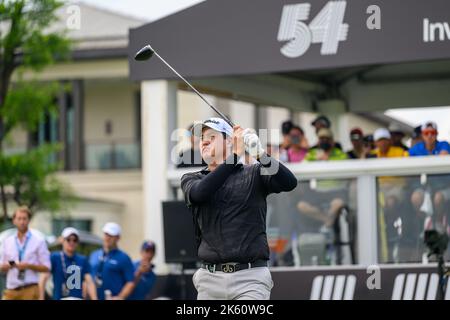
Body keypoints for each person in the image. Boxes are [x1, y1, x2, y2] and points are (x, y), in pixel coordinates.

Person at [181, 117, 297, 300]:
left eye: (212, 136)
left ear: (229, 141)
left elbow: (289, 182)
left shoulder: (253, 173)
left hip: (250, 279)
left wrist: (261, 155)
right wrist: (235, 156)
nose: (203, 141)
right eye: (202, 137)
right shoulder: (192, 178)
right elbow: (200, 193)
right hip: (209, 280)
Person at [409, 122, 450, 237]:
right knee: (416, 198)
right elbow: (407, 160)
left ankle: (437, 223)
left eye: (433, 133)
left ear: (436, 134)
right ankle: (424, 223)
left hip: (443, 186)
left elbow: (444, 154)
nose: (430, 136)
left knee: (438, 198)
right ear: (422, 135)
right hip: (424, 186)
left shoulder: (443, 144)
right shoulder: (417, 148)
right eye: (426, 133)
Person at [0, 206, 50, 300]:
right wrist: (8, 266)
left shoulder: (38, 241)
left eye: (24, 219)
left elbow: (46, 267)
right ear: (14, 220)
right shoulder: (7, 241)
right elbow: (1, 266)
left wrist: (28, 266)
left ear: (28, 220)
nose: (22, 222)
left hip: (30, 289)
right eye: (19, 218)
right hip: (11, 290)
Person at [40, 227, 97, 300]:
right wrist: (41, 297)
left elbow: (89, 282)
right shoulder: (55, 257)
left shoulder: (82, 259)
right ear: (62, 240)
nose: (71, 242)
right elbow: (43, 277)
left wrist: (94, 298)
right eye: (68, 239)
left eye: (74, 240)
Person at [89, 222, 135, 300]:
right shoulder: (94, 255)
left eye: (111, 235)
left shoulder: (124, 257)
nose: (107, 238)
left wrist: (120, 297)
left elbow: (130, 282)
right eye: (106, 234)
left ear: (118, 238)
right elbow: (89, 279)